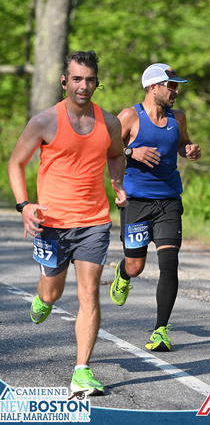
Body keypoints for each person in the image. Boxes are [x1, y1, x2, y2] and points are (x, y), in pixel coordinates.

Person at [8, 50, 127, 396]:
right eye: (77, 79)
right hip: (52, 222)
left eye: (90, 80)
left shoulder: (110, 123)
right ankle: (43, 297)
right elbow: (16, 163)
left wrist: (117, 182)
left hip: (94, 221)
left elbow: (117, 154)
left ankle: (82, 370)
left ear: (96, 83)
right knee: (53, 291)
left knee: (90, 292)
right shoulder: (44, 122)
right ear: (65, 81)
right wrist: (24, 205)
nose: (83, 86)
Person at [110, 63, 201, 352]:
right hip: (136, 202)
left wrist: (189, 149)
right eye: (171, 86)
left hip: (169, 201)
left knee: (169, 264)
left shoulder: (179, 117)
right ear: (153, 87)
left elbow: (181, 143)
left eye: (177, 86)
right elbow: (104, 148)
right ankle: (123, 274)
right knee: (136, 266)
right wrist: (130, 151)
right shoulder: (129, 116)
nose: (176, 92)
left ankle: (160, 330)